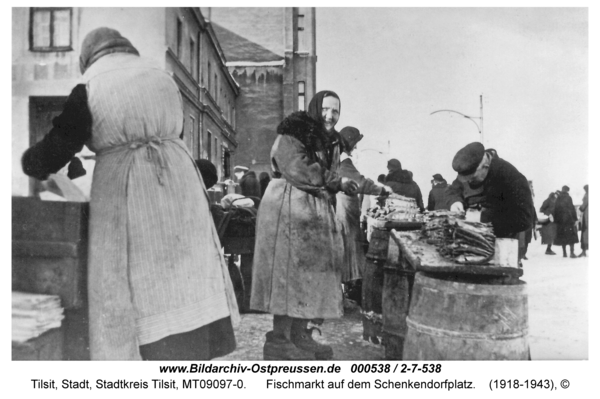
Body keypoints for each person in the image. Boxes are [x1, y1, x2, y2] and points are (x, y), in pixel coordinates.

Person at [21, 27, 239, 360]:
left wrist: (29, 162)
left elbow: (55, 151)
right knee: (186, 273)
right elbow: (176, 130)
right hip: (179, 180)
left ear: (88, 58)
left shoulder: (91, 87)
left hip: (127, 183)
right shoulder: (162, 79)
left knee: (132, 279)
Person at [251, 91, 358, 360]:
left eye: (335, 110)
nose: (330, 115)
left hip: (314, 211)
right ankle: (279, 341)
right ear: (315, 108)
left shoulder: (331, 140)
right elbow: (294, 165)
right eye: (325, 109)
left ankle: (299, 335)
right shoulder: (295, 130)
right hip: (289, 207)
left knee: (310, 276)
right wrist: (334, 182)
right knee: (289, 274)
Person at [446, 142, 534, 242]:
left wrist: (483, 218)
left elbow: (524, 219)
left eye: (473, 178)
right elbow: (453, 189)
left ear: (485, 166)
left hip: (503, 239)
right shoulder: (469, 168)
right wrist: (455, 201)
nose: (469, 182)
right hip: (473, 238)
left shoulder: (512, 177)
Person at [336, 126, 390, 283]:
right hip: (344, 210)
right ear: (349, 143)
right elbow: (360, 183)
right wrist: (382, 190)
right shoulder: (344, 162)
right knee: (349, 245)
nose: (356, 147)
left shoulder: (339, 160)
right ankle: (351, 283)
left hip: (346, 209)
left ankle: (349, 281)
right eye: (355, 143)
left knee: (348, 246)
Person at [553, 186, 579, 258]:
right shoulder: (568, 198)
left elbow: (555, 210)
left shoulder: (558, 198)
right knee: (571, 237)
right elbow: (572, 209)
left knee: (562, 237)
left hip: (561, 222)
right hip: (569, 221)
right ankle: (572, 253)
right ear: (567, 191)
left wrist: (556, 221)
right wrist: (575, 219)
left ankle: (564, 253)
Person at [579, 184, 588, 257]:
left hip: (587, 217)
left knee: (585, 233)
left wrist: (580, 208)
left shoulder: (587, 195)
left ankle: (583, 251)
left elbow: (583, 206)